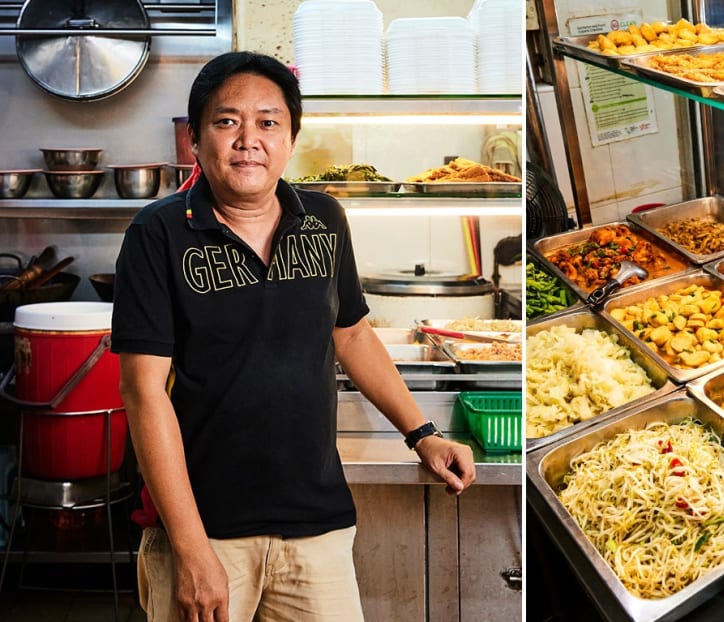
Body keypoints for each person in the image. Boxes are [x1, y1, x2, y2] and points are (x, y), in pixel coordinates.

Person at [111, 51, 476, 622]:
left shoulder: (323, 219)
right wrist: (190, 548)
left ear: (292, 137)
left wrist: (423, 434)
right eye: (226, 121)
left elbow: (352, 334)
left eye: (268, 122)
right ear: (195, 141)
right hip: (207, 529)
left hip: (316, 523)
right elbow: (143, 392)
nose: (247, 139)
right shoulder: (156, 235)